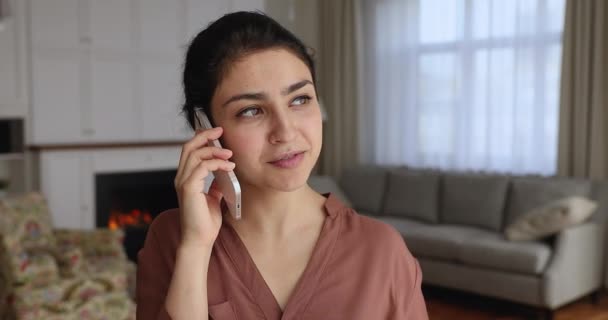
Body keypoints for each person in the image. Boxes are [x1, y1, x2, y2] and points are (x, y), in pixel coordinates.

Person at [136, 11, 428, 320]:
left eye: (300, 100)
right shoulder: (173, 238)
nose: (286, 132)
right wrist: (196, 248)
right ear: (206, 128)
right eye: (251, 111)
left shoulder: (381, 251)